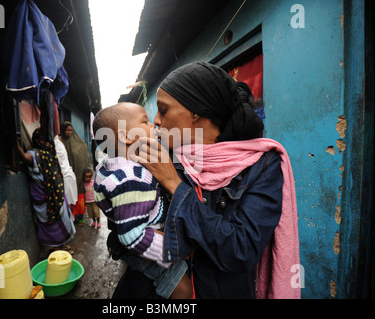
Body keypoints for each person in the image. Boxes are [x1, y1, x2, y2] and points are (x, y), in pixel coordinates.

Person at [117, 61, 301, 299]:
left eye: (163, 110)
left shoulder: (261, 166)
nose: (156, 120)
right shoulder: (163, 154)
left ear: (196, 112)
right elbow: (122, 227)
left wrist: (174, 183)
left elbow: (240, 250)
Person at [93, 103, 192, 299]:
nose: (154, 124)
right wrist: (173, 250)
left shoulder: (110, 166)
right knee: (183, 290)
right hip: (150, 250)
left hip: (145, 243)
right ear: (126, 137)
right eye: (145, 121)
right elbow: (132, 236)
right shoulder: (132, 178)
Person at [17, 128, 76, 254]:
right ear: (37, 140)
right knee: (51, 224)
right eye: (43, 140)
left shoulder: (50, 151)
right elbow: (23, 157)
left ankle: (62, 245)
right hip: (44, 197)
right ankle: (56, 249)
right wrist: (14, 143)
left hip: (57, 194)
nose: (47, 142)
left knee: (62, 220)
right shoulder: (34, 154)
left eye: (47, 140)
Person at [60, 121, 89, 226]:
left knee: (80, 195)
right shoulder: (60, 142)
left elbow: (83, 151)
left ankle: (79, 218)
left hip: (78, 174)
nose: (69, 132)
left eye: (71, 130)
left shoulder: (79, 143)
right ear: (63, 131)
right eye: (67, 130)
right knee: (68, 195)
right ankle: (68, 219)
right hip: (66, 175)